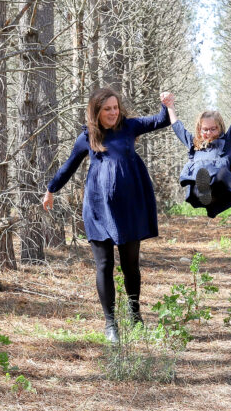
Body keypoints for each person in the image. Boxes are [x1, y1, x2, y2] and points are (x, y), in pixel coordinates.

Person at [42, 87, 173, 343]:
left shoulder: (130, 127)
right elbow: (69, 166)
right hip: (98, 209)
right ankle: (111, 324)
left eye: (115, 108)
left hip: (129, 208)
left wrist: (166, 103)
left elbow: (162, 120)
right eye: (107, 109)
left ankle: (135, 316)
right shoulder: (87, 137)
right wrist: (51, 189)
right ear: (97, 112)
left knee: (130, 267)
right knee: (104, 265)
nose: (113, 112)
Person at [165, 79, 231, 218]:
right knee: (198, 177)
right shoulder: (193, 144)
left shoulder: (226, 142)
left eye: (213, 129)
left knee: (222, 174)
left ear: (220, 128)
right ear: (199, 129)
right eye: (205, 129)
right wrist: (170, 106)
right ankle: (205, 190)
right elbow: (178, 128)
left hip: (221, 190)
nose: (209, 133)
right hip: (200, 193)